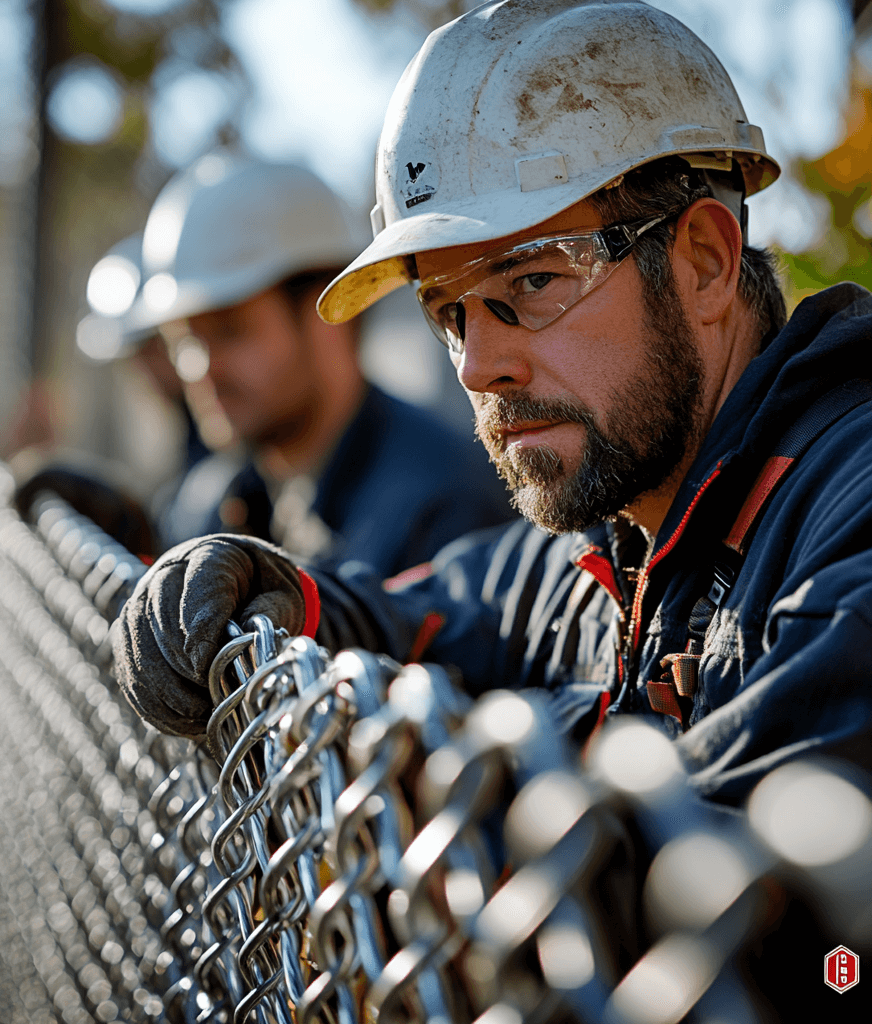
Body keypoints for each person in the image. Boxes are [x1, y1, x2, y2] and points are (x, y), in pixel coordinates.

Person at [112, 0, 872, 811]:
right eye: (450, 312)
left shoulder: (845, 505)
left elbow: (760, 872)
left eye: (533, 282)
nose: (478, 367)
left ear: (707, 263)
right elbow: (440, 611)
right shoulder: (616, 540)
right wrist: (274, 599)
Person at [117, 153, 515, 572]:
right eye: (184, 341)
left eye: (230, 331)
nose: (200, 369)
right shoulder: (232, 494)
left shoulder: (441, 510)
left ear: (330, 315)